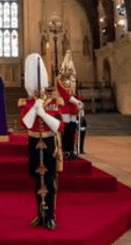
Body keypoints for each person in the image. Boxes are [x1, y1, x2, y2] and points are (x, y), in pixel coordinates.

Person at [20, 53, 63, 230]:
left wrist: (43, 112)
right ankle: (40, 214)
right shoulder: (27, 103)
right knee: (38, 181)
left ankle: (50, 215)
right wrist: (35, 107)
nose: (38, 91)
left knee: (50, 180)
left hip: (49, 144)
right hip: (33, 144)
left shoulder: (53, 102)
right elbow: (26, 123)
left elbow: (58, 126)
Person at [56, 50, 84, 159]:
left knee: (72, 129)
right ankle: (66, 149)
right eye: (69, 69)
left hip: (73, 108)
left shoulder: (73, 80)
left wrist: (79, 101)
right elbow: (64, 95)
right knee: (66, 130)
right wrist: (76, 101)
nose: (71, 71)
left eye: (72, 69)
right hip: (65, 108)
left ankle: (72, 149)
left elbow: (75, 93)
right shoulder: (60, 80)